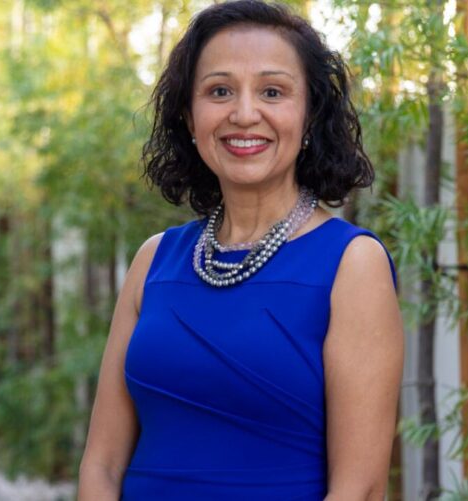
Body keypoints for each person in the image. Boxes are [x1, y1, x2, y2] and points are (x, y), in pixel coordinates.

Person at [77, 1, 403, 499]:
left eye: (272, 91)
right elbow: (100, 465)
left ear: (310, 113)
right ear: (189, 115)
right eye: (219, 91)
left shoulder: (352, 264)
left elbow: (359, 489)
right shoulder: (154, 261)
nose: (244, 114)